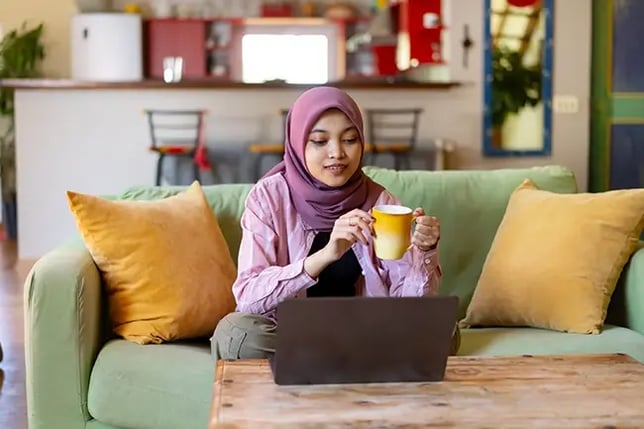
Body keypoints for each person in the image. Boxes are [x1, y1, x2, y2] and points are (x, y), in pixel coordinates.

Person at [210, 86, 459, 361]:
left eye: (350, 139)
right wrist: (326, 254)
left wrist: (424, 252)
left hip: (366, 332)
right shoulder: (269, 197)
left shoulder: (381, 202)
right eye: (319, 141)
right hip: (291, 334)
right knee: (236, 334)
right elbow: (247, 297)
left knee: (444, 329)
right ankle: (354, 363)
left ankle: (325, 363)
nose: (337, 153)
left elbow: (409, 305)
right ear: (297, 143)